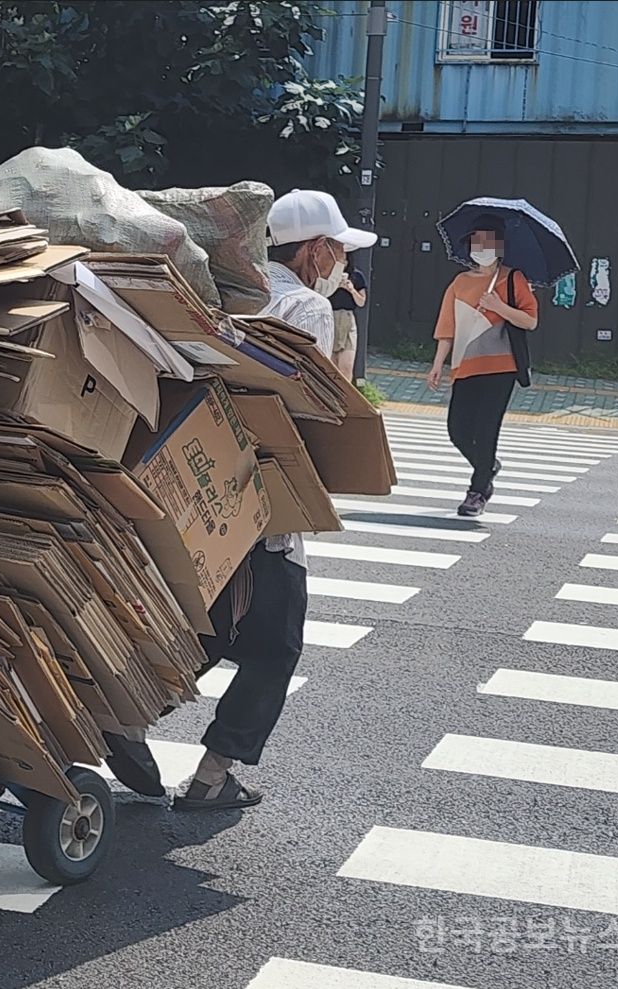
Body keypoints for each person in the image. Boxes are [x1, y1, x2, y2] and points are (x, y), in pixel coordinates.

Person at [105, 189, 375, 812]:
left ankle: (130, 716)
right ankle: (211, 772)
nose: (342, 264)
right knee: (276, 646)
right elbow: (301, 408)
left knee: (217, 628)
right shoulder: (305, 306)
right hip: (260, 506)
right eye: (338, 249)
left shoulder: (218, 292)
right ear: (314, 250)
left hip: (191, 486)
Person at [426, 213, 538, 517]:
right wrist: (438, 363)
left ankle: (477, 491)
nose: (482, 247)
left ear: (499, 246)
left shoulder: (513, 279)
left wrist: (499, 307)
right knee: (457, 430)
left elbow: (530, 320)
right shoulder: (460, 282)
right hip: (464, 365)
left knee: (487, 429)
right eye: (477, 242)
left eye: (488, 242)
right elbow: (446, 326)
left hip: (501, 367)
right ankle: (487, 465)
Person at [329, 266, 367, 381]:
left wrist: (351, 289)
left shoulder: (356, 275)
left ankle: (345, 396)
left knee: (346, 366)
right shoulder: (326, 273)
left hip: (347, 318)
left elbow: (361, 302)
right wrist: (333, 286)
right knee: (331, 366)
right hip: (330, 316)